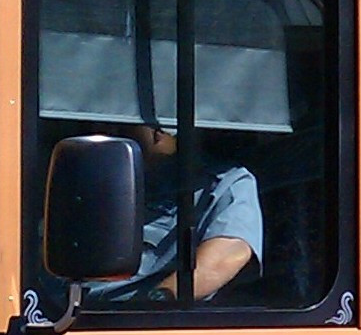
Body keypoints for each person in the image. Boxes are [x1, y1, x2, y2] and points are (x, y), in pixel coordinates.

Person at [83, 124, 263, 305]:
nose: (112, 130)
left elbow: (226, 255)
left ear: (160, 130)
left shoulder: (224, 183)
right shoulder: (90, 175)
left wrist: (160, 299)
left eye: (125, 124)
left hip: (137, 318)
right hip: (64, 310)